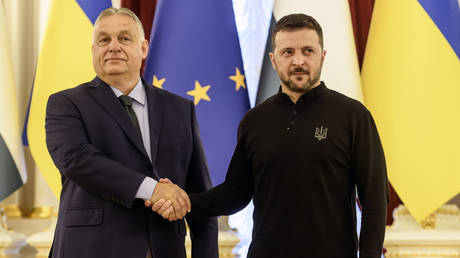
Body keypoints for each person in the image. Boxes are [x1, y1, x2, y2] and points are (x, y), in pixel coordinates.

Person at [148, 13, 389, 258]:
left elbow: (375, 200)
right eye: (288, 52)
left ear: (322, 56)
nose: (298, 61)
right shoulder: (254, 121)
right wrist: (181, 199)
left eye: (308, 51)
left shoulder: (353, 116)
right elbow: (235, 194)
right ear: (273, 60)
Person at [45, 7, 218, 258]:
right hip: (89, 249)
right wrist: (153, 189)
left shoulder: (180, 109)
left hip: (164, 249)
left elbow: (199, 197)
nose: (113, 46)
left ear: (143, 48)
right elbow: (77, 161)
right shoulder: (66, 103)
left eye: (124, 38)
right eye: (104, 39)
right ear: (94, 50)